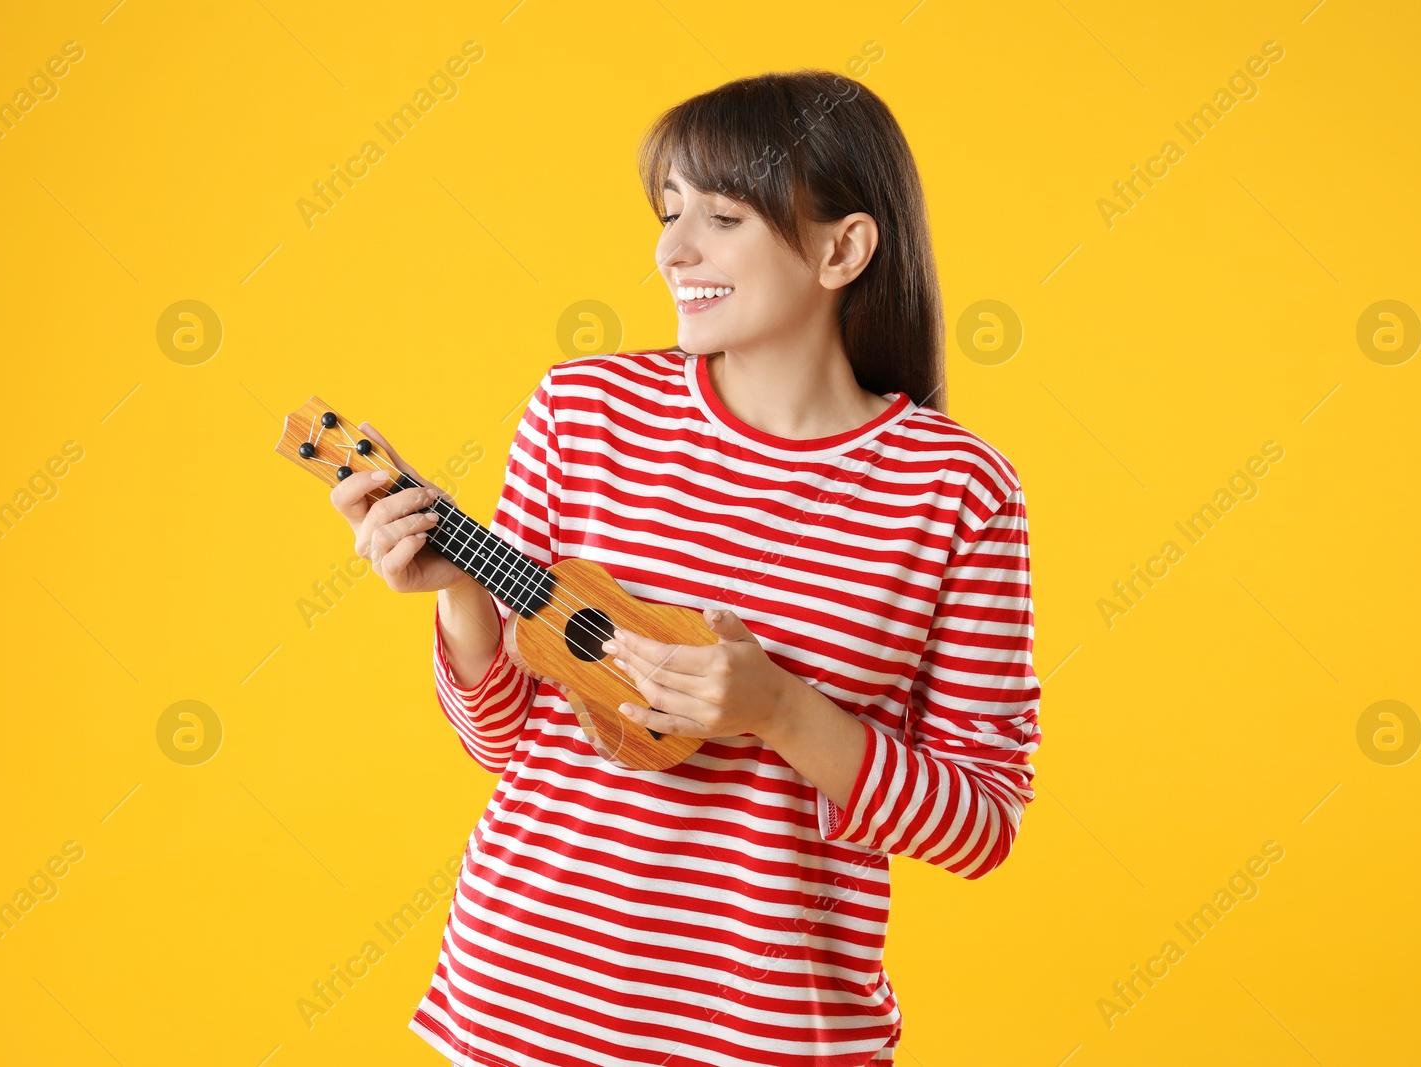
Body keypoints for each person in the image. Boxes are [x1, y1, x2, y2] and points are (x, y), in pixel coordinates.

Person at [329, 69, 1041, 1067]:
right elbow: (501, 741)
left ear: (842, 248)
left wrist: (782, 709)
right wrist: (456, 591)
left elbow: (981, 822)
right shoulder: (583, 413)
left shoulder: (957, 491)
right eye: (668, 214)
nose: (673, 249)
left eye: (721, 215)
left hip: (769, 1032)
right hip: (521, 1002)